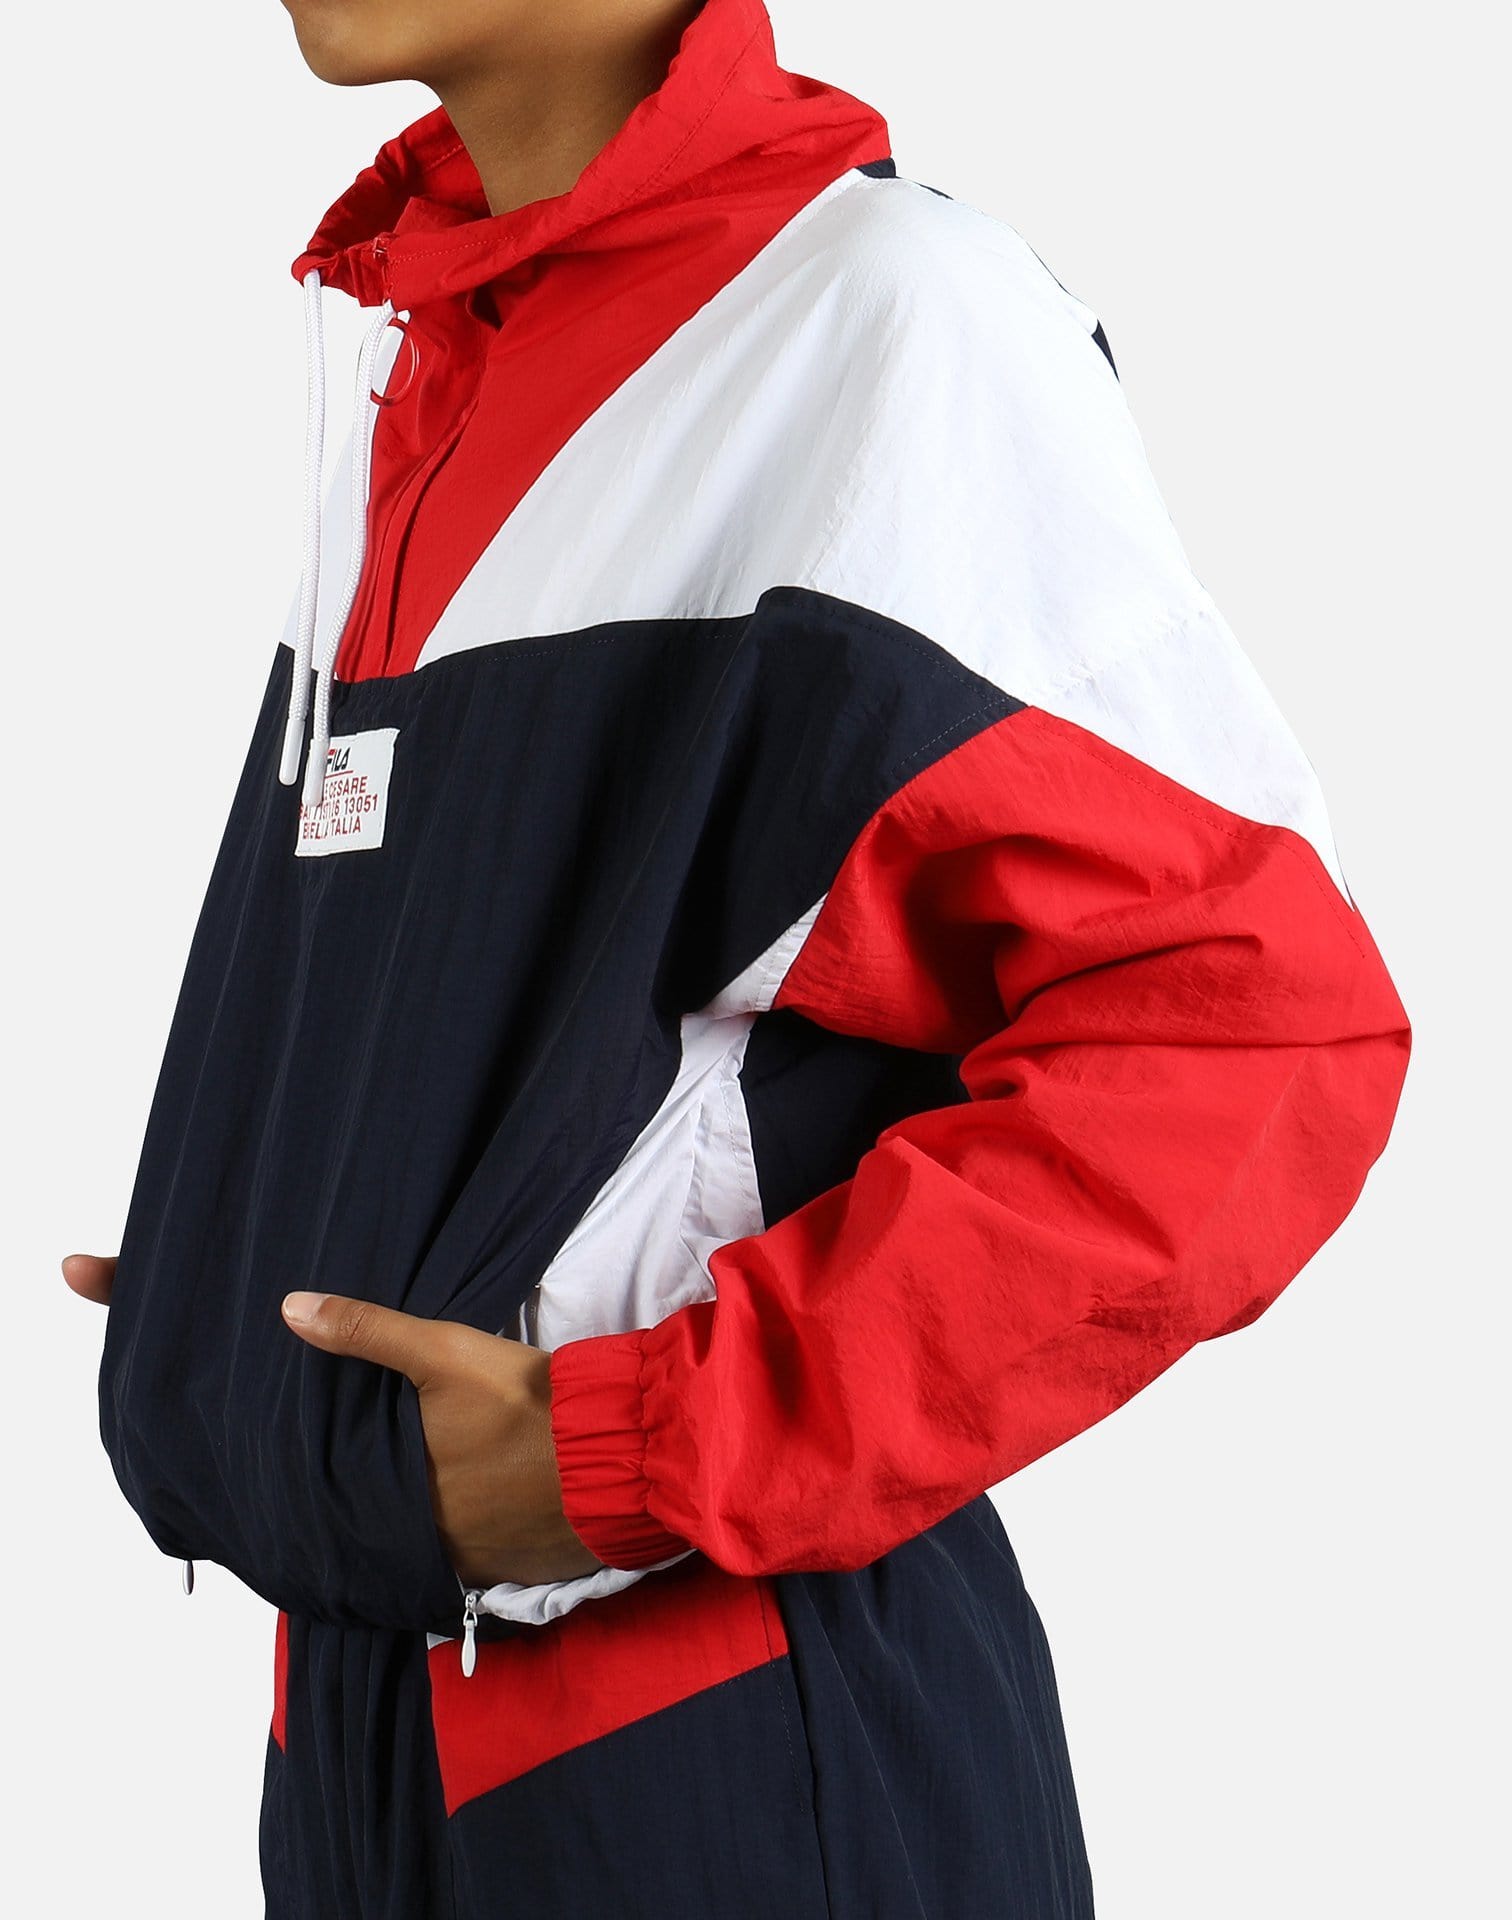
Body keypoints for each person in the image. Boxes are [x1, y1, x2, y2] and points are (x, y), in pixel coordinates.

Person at [64, 0, 1413, 1913]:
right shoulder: (436, 359)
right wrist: (276, 1245)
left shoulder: (880, 322)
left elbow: (1252, 1032)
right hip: (366, 1714)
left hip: (711, 1739)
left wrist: (648, 1444)